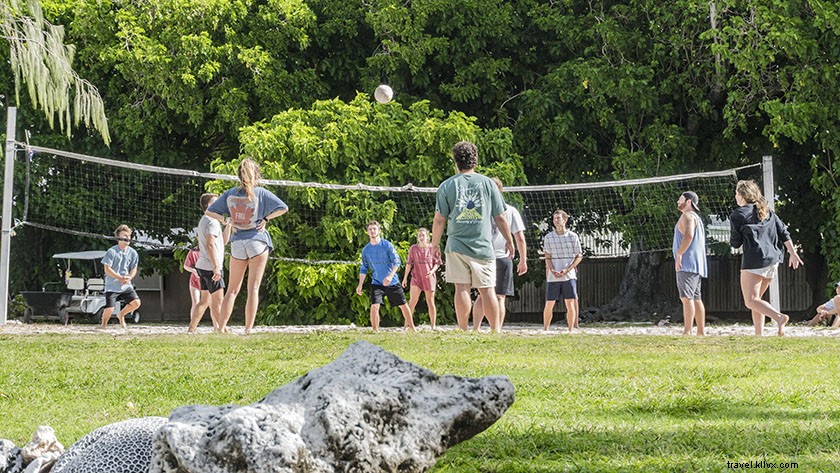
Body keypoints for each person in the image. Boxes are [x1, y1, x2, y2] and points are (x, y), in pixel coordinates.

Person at [431, 141, 514, 333]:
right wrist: (509, 241)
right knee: (487, 290)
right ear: (475, 160)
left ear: (455, 162)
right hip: (482, 245)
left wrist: (434, 245)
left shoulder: (446, 185)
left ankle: (463, 330)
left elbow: (439, 220)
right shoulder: (487, 183)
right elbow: (500, 216)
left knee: (461, 288)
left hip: (456, 244)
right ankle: (495, 331)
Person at [206, 158, 288, 334]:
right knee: (253, 289)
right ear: (256, 174)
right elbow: (283, 208)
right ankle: (248, 329)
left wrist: (227, 220)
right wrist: (266, 219)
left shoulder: (230, 194)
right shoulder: (261, 193)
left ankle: (220, 329)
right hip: (257, 241)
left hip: (238, 243)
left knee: (232, 290)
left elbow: (209, 211)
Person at [730, 179, 803, 336]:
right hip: (773, 260)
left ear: (742, 195)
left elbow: (735, 243)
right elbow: (784, 232)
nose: (735, 196)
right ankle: (759, 334)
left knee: (750, 301)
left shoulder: (738, 215)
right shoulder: (767, 210)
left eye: (736, 193)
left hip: (755, 261)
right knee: (757, 300)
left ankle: (779, 317)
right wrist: (793, 253)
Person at [472, 177, 528, 331]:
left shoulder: (482, 210)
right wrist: (523, 260)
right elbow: (520, 239)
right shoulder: (506, 210)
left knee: (484, 295)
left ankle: (479, 329)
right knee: (497, 297)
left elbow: (520, 238)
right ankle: (495, 330)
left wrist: (523, 259)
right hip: (492, 257)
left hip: (491, 257)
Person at [355, 221, 415, 332]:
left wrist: (390, 276)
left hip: (392, 282)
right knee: (374, 306)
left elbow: (397, 262)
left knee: (403, 305)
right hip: (377, 282)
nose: (372, 231)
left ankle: (412, 328)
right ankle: (375, 331)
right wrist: (360, 285)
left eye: (374, 229)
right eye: (370, 229)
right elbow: (364, 268)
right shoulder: (366, 250)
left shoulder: (387, 245)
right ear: (367, 232)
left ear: (379, 231)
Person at [188, 193, 232, 333]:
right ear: (209, 205)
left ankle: (191, 329)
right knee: (218, 301)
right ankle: (222, 330)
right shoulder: (211, 221)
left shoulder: (208, 220)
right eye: (216, 201)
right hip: (210, 267)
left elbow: (222, 242)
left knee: (205, 300)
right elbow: (210, 245)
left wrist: (229, 225)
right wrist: (216, 267)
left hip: (203, 265)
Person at [673, 191, 708, 336]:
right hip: (696, 264)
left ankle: (687, 331)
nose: (677, 201)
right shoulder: (697, 218)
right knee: (696, 298)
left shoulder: (687, 216)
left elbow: (688, 236)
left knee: (686, 298)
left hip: (687, 263)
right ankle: (700, 332)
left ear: (688, 202)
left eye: (680, 199)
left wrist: (679, 253)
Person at [542, 210, 582, 332]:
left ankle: (570, 329)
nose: (556, 221)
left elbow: (579, 256)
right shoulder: (549, 237)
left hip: (568, 275)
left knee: (570, 303)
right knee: (549, 304)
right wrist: (552, 269)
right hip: (553, 276)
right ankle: (546, 329)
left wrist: (567, 269)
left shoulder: (573, 236)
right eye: (554, 219)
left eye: (558, 218)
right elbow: (547, 256)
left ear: (565, 220)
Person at [100, 224, 141, 328]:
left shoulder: (133, 253)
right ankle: (103, 325)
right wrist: (119, 278)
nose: (127, 238)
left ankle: (121, 315)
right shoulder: (112, 251)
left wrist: (129, 277)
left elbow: (134, 269)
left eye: (129, 236)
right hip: (112, 285)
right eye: (124, 235)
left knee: (136, 303)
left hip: (126, 285)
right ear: (118, 237)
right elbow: (107, 269)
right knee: (110, 308)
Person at [402, 228, 440, 329]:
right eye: (419, 235)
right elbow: (409, 263)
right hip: (416, 277)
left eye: (423, 235)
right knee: (412, 301)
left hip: (429, 277)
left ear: (428, 237)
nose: (421, 237)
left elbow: (437, 263)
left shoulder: (433, 248)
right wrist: (405, 278)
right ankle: (407, 325)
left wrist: (432, 271)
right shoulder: (413, 248)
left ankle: (433, 326)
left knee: (430, 302)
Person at [182, 247, 205, 328]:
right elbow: (185, 266)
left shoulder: (210, 249)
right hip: (195, 280)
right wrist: (193, 270)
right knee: (195, 302)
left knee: (211, 303)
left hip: (207, 280)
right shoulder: (193, 251)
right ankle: (193, 323)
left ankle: (217, 325)